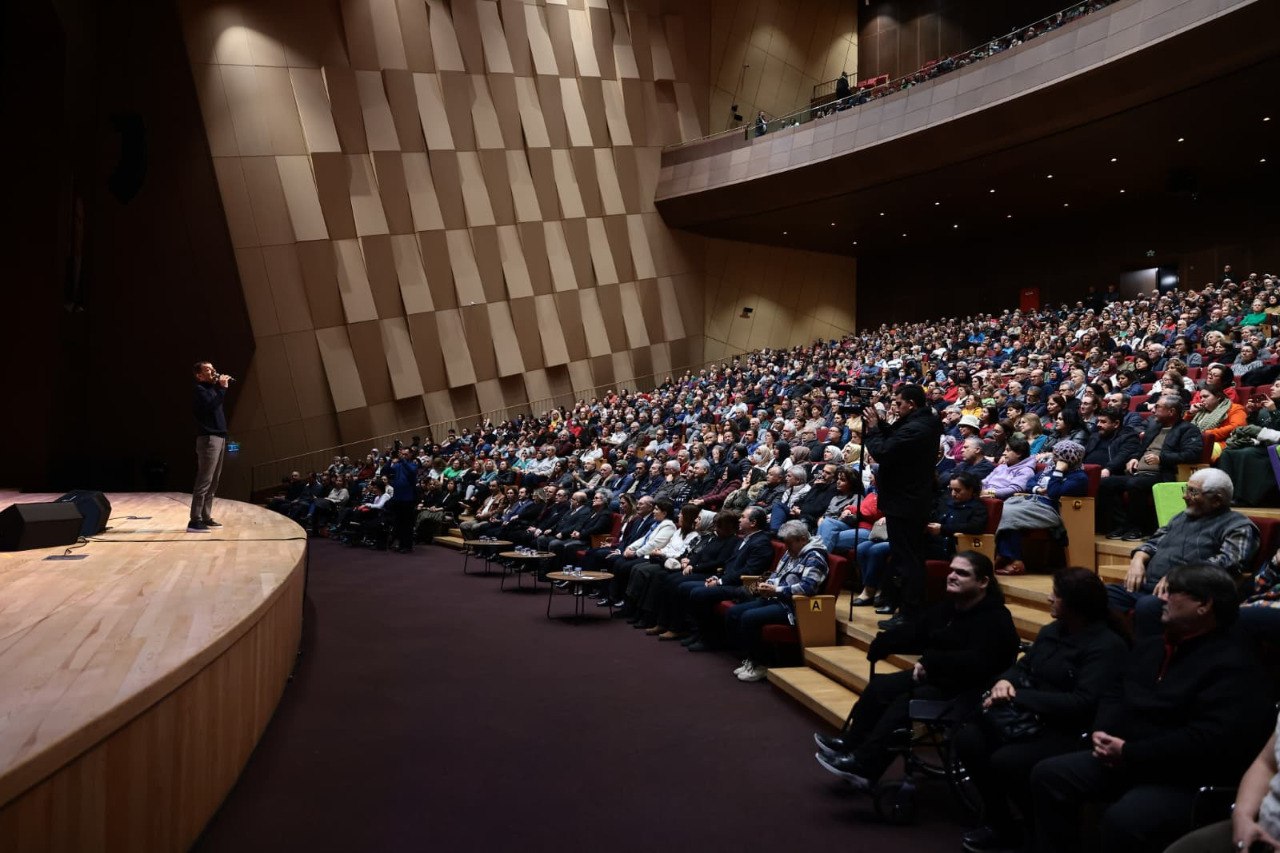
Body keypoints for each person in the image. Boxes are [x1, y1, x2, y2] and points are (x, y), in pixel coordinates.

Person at [1030, 565, 1274, 853]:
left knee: (1124, 820)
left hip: (1182, 776)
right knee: (1049, 775)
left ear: (1204, 605)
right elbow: (1115, 690)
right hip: (1126, 755)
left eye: (1172, 593)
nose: (1162, 598)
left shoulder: (1235, 666)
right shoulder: (1153, 646)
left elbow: (1206, 740)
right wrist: (1102, 730)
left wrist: (1130, 752)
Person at [952, 567, 1128, 852]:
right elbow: (1023, 666)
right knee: (968, 740)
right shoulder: (1051, 632)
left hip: (1069, 728)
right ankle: (1002, 825)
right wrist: (1005, 682)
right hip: (1029, 718)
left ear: (1074, 604)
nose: (1048, 599)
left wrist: (1020, 697)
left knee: (1005, 760)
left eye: (1055, 596)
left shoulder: (1106, 646)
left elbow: (1083, 703)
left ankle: (1038, 830)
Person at [813, 551, 1019, 789]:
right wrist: (885, 642)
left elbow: (981, 662)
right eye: (951, 570)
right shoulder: (950, 607)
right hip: (940, 679)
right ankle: (851, 744)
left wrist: (932, 663)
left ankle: (865, 766)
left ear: (983, 582)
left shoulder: (996, 618)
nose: (952, 576)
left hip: (970, 690)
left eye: (962, 573)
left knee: (904, 703)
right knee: (881, 686)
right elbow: (918, 631)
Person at [1106, 468, 1259, 637]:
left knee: (1148, 606)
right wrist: (1138, 559)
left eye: (1193, 492)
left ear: (1217, 500)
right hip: (1146, 585)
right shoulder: (1181, 517)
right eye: (1186, 489)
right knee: (1098, 596)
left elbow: (1230, 561)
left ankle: (1150, 659)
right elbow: (1154, 541)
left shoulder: (1238, 526)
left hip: (1184, 594)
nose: (1185, 496)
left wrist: (1180, 576)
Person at [863, 385, 943, 627]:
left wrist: (874, 429)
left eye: (898, 403)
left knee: (908, 559)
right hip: (905, 499)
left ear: (912, 404)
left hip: (906, 501)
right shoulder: (919, 421)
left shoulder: (920, 427)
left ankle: (909, 613)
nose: (894, 407)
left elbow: (884, 451)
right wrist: (880, 424)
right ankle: (903, 607)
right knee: (905, 558)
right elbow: (895, 438)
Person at [727, 521, 829, 683]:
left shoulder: (815, 557)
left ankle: (762, 664)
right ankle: (751, 658)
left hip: (794, 606)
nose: (786, 548)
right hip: (776, 598)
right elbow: (777, 574)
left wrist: (777, 590)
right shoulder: (791, 551)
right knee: (734, 612)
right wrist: (768, 585)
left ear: (802, 539)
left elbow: (808, 588)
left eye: (789, 544)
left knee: (749, 617)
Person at [1098, 395, 1202, 541]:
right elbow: (1140, 449)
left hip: (1165, 474)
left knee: (1135, 484)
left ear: (1171, 411)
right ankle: (1122, 525)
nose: (1153, 410)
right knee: (1105, 483)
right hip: (1139, 473)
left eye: (1158, 407)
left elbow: (1192, 454)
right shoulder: (1154, 427)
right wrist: (1134, 458)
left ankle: (1137, 528)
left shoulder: (1188, 429)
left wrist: (1161, 458)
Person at [993, 439, 1089, 576]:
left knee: (1008, 513)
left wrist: (1058, 471)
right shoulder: (1049, 469)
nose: (1053, 458)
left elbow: (1054, 493)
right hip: (1031, 502)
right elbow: (1030, 482)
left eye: (1057, 456)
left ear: (1068, 458)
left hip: (1050, 510)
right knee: (999, 509)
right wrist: (1038, 489)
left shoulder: (1079, 478)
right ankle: (1004, 554)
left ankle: (1015, 560)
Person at [190, 361, 231, 532]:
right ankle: (195, 520)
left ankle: (206, 517)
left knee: (214, 481)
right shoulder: (199, 390)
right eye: (207, 369)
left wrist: (219, 388)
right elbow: (209, 407)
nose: (213, 371)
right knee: (204, 480)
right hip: (208, 439)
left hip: (219, 437)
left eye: (213, 368)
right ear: (199, 375)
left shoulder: (212, 390)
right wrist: (222, 388)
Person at [387, 448, 419, 553]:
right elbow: (386, 470)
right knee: (398, 522)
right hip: (398, 498)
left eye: (406, 454)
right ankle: (401, 544)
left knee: (407, 523)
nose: (404, 456)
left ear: (410, 455)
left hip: (408, 499)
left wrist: (402, 460)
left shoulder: (413, 464)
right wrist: (391, 457)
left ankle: (407, 546)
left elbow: (412, 471)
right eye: (402, 454)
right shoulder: (398, 465)